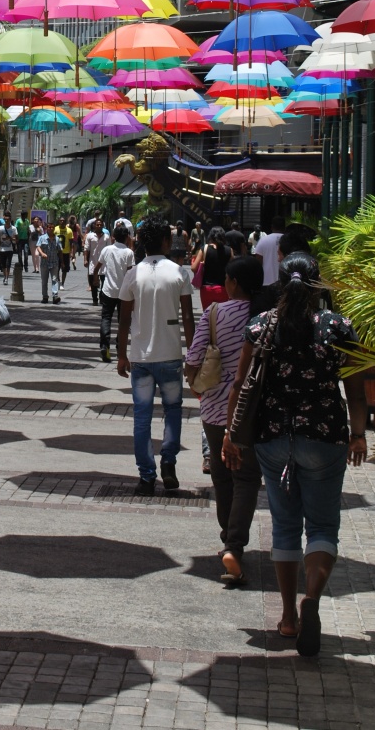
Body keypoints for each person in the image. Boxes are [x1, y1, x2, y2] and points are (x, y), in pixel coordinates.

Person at [224, 253, 368, 657]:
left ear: (280, 282)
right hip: (325, 436)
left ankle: (287, 617)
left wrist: (231, 436)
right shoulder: (337, 327)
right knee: (322, 526)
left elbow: (239, 384)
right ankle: (313, 601)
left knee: (285, 526)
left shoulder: (261, 326)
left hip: (272, 437)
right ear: (317, 284)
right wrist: (358, 435)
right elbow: (355, 389)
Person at [185, 254, 264, 586]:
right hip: (253, 411)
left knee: (222, 476)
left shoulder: (214, 312)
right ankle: (235, 544)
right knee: (246, 478)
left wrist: (194, 384)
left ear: (232, 283)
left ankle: (228, 540)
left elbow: (192, 357)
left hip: (216, 409)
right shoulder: (264, 317)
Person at [117, 215, 194, 494]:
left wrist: (121, 355)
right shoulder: (179, 272)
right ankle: (169, 462)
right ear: (165, 240)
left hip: (140, 358)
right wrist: (194, 353)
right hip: (171, 355)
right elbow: (187, 317)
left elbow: (124, 320)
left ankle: (146, 476)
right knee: (173, 411)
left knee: (142, 416)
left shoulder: (132, 274)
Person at [94, 224, 134, 363]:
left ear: (114, 237)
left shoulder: (107, 249)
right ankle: (119, 348)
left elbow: (97, 267)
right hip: (124, 293)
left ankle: (104, 346)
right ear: (126, 237)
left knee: (106, 318)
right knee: (123, 321)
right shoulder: (129, 252)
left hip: (108, 290)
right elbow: (131, 272)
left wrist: (95, 279)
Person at [196, 226, 230, 310]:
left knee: (207, 317)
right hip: (223, 288)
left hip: (206, 288)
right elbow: (233, 269)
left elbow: (193, 267)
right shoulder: (229, 250)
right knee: (222, 316)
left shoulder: (205, 248)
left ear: (210, 236)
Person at [84, 218, 111, 304]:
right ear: (94, 226)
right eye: (97, 224)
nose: (99, 226)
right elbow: (86, 249)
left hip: (104, 263)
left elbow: (109, 250)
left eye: (100, 225)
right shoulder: (90, 236)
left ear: (103, 226)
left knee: (104, 281)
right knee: (93, 282)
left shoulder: (107, 237)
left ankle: (102, 298)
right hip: (93, 261)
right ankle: (94, 299)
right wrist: (85, 260)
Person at [254, 215, 285, 286]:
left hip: (266, 282)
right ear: (284, 227)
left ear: (272, 227)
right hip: (285, 283)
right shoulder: (289, 240)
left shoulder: (263, 240)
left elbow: (258, 264)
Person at [35, 222, 61, 303]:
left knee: (54, 279)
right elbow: (38, 246)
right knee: (44, 281)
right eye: (49, 227)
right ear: (47, 228)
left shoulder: (57, 239)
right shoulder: (42, 238)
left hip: (54, 263)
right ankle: (45, 296)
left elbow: (60, 250)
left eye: (52, 227)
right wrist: (42, 253)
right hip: (44, 263)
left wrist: (62, 262)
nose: (50, 229)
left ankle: (55, 296)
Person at [0, 214, 16, 284]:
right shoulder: (0, 228)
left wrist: (9, 238)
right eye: (5, 219)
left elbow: (17, 239)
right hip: (2, 249)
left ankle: (6, 278)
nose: (6, 221)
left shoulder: (13, 228)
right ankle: (4, 276)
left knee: (8, 264)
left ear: (10, 220)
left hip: (10, 249)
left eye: (8, 219)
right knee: (3, 264)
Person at [56, 215, 73, 286]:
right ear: (59, 221)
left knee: (65, 269)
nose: (62, 222)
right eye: (61, 220)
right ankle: (58, 281)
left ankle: (62, 283)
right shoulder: (55, 229)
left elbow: (71, 242)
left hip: (65, 252)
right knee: (56, 268)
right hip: (57, 252)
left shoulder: (69, 230)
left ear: (65, 222)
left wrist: (71, 253)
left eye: (63, 220)